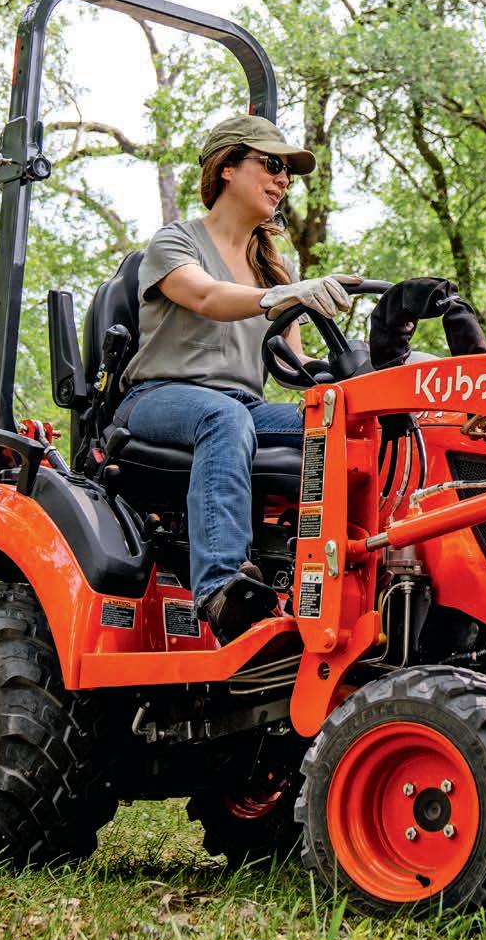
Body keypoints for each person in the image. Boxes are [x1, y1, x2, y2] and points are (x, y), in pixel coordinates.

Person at [117, 115, 354, 637]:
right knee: (223, 418)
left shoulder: (273, 268)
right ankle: (221, 588)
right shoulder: (175, 242)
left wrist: (352, 376)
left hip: (244, 408)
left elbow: (295, 367)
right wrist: (280, 296)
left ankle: (351, 582)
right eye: (271, 164)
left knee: (342, 426)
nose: (282, 179)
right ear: (227, 168)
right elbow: (207, 297)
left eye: (287, 172)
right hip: (160, 397)